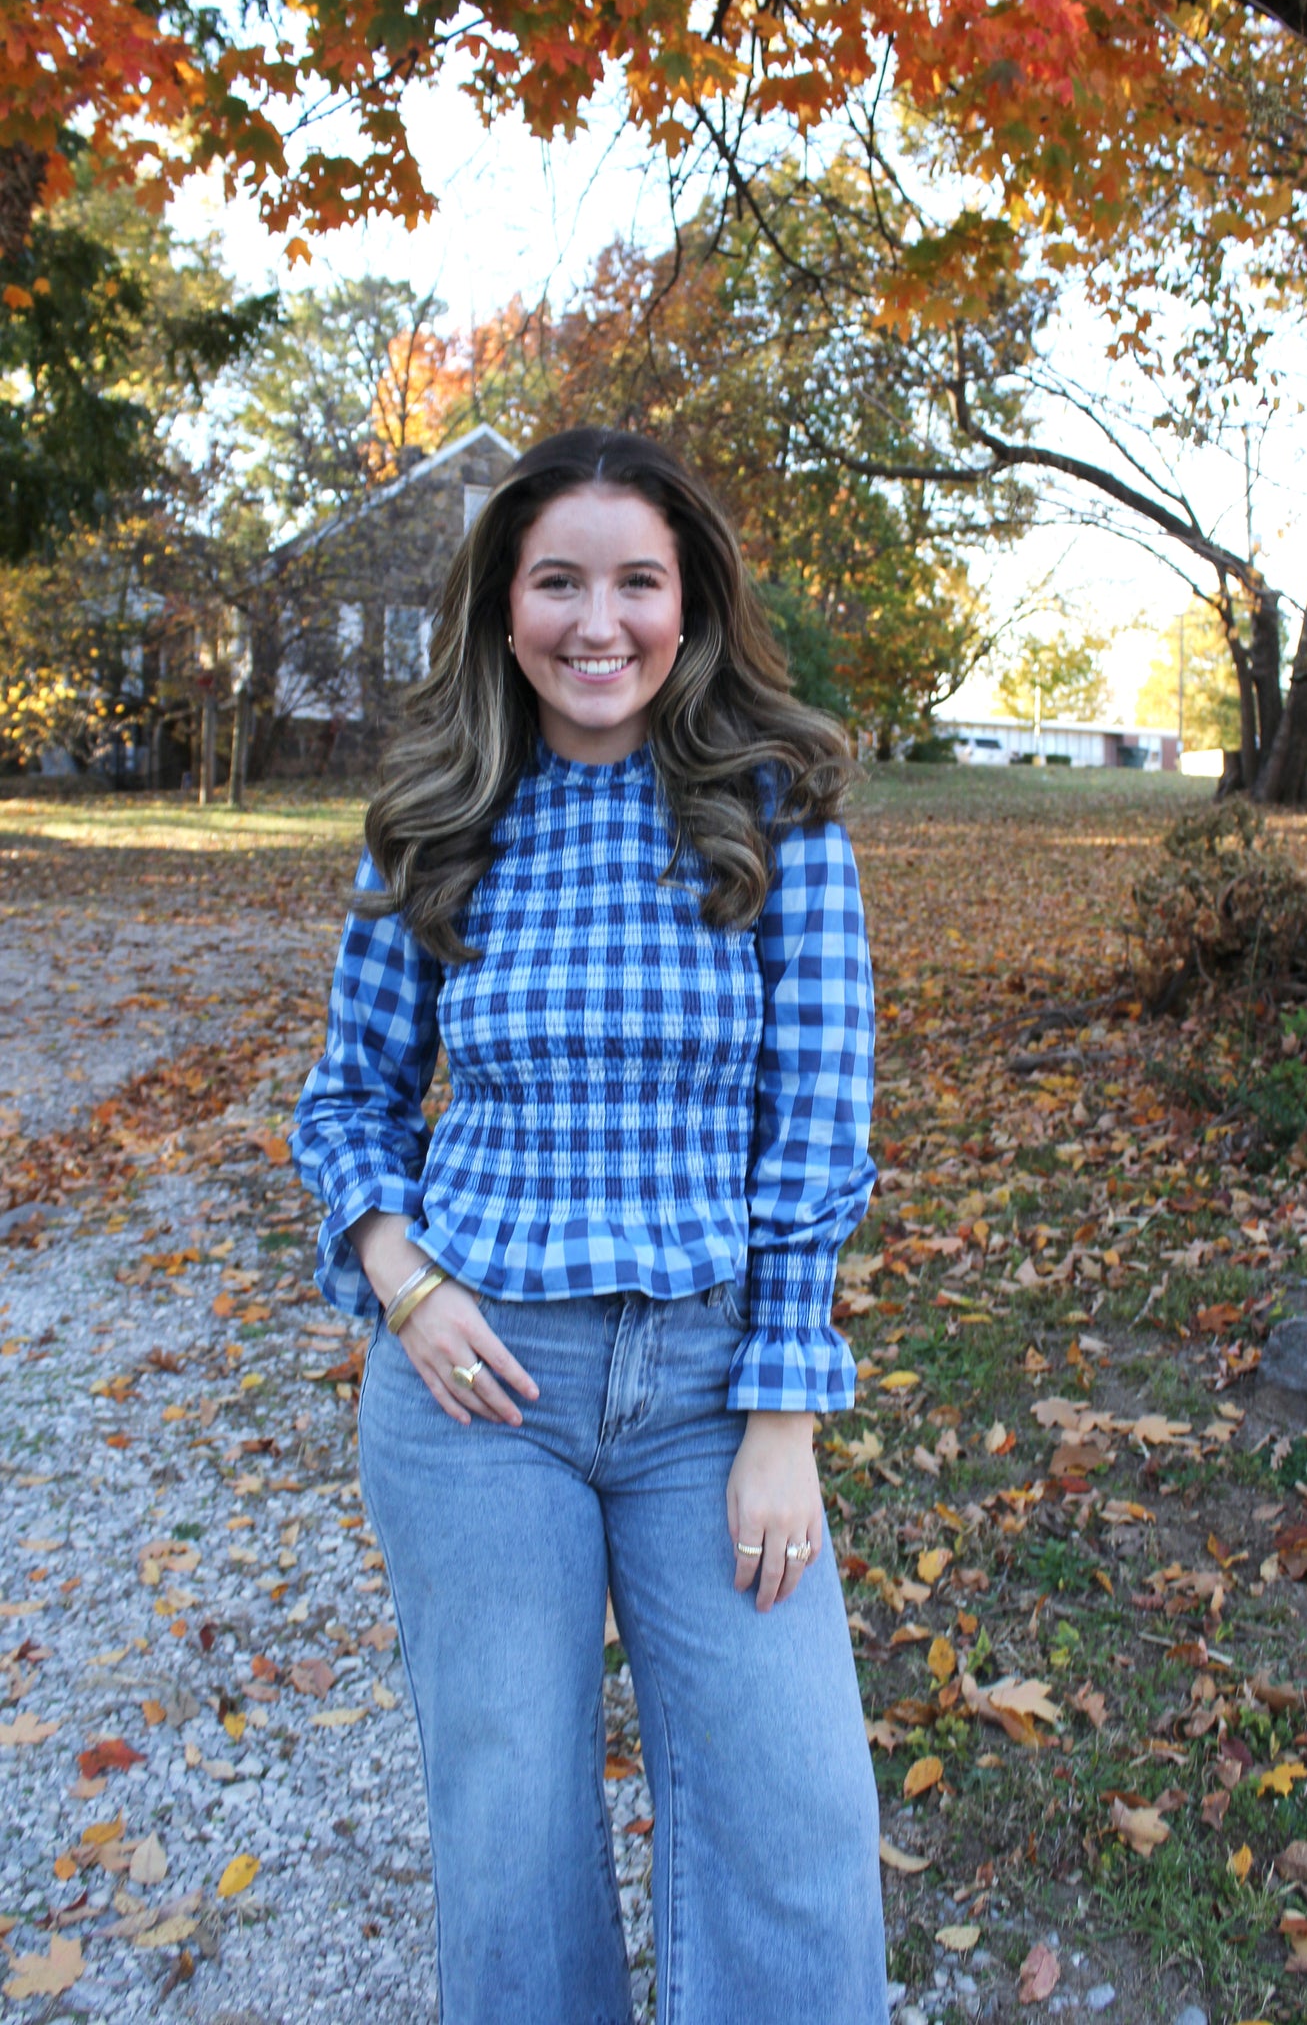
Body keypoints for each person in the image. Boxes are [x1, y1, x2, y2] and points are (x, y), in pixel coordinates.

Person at [291, 427, 888, 2025]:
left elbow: (816, 1130)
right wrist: (403, 1288)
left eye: (636, 581)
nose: (596, 622)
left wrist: (781, 1410)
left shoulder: (777, 813)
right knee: (512, 1828)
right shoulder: (434, 820)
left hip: (712, 1392)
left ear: (686, 611)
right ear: (505, 609)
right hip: (478, 1398)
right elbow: (346, 1104)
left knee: (795, 1815)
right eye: (558, 581)